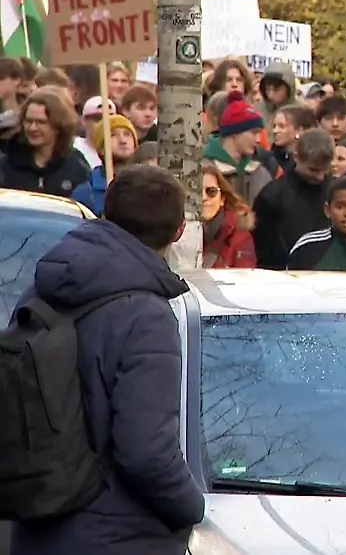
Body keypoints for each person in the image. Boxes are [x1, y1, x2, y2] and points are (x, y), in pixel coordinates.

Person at [8, 165, 205, 553]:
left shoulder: (42, 289)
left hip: (37, 521)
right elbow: (145, 451)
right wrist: (192, 507)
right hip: (120, 534)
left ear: (105, 213)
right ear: (178, 231)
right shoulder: (146, 317)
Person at [252, 129, 336, 270]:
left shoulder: (336, 190)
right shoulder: (272, 196)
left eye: (325, 170)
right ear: (296, 157)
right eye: (313, 170)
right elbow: (262, 250)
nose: (320, 177)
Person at [0, 87, 90, 197]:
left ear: (58, 125)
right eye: (28, 121)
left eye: (41, 122)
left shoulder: (76, 166)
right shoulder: (5, 165)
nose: (33, 128)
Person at [201, 91, 273, 206]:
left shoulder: (259, 172)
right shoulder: (202, 168)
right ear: (234, 132)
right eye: (254, 133)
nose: (259, 139)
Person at [69, 113, 139, 215]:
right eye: (113, 135)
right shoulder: (86, 193)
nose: (122, 141)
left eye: (127, 134)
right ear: (101, 148)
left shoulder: (146, 187)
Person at [201, 163, 256, 268]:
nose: (203, 197)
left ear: (222, 199)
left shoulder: (240, 235)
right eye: (197, 192)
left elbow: (245, 277)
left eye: (211, 191)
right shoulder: (174, 231)